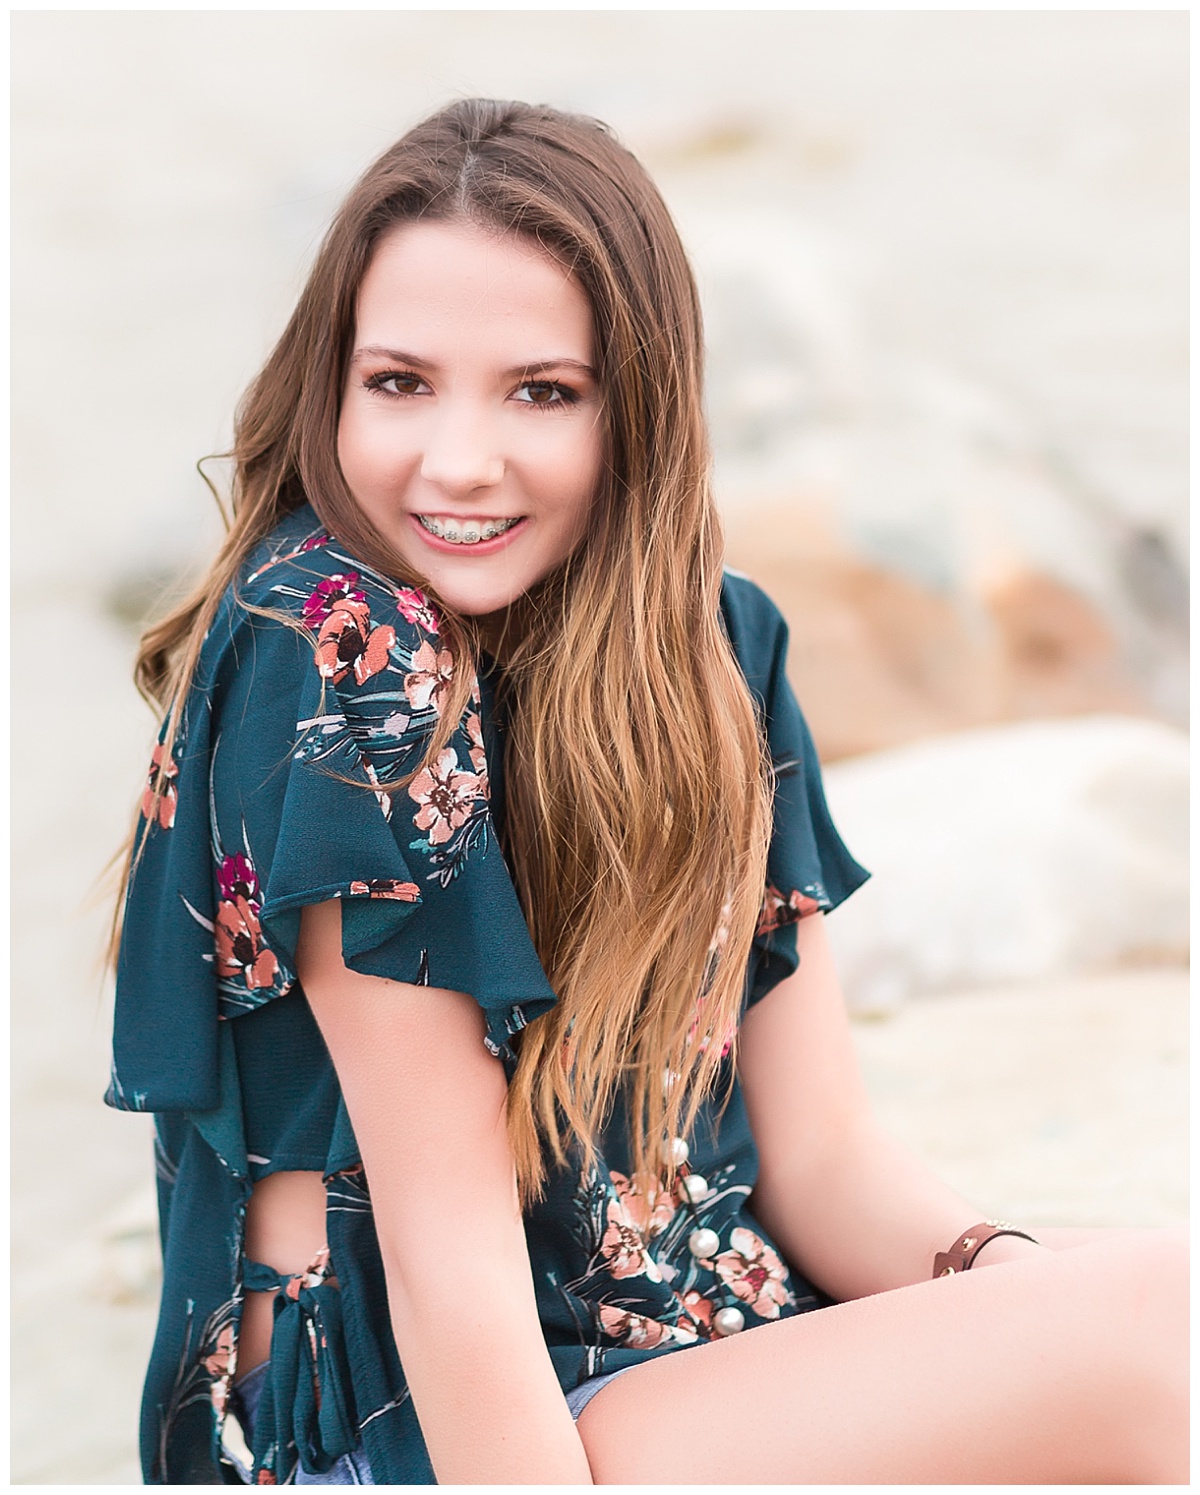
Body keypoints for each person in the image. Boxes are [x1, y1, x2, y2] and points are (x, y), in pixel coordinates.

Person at [108, 98, 1187, 1486]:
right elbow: (447, 1259)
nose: (458, 459)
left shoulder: (717, 648)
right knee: (1156, 1325)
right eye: (401, 382)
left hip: (707, 1353)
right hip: (440, 1428)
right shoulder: (333, 645)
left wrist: (1013, 1285)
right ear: (331, 387)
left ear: (640, 405)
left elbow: (823, 1160)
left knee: (1154, 1312)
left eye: (541, 391)